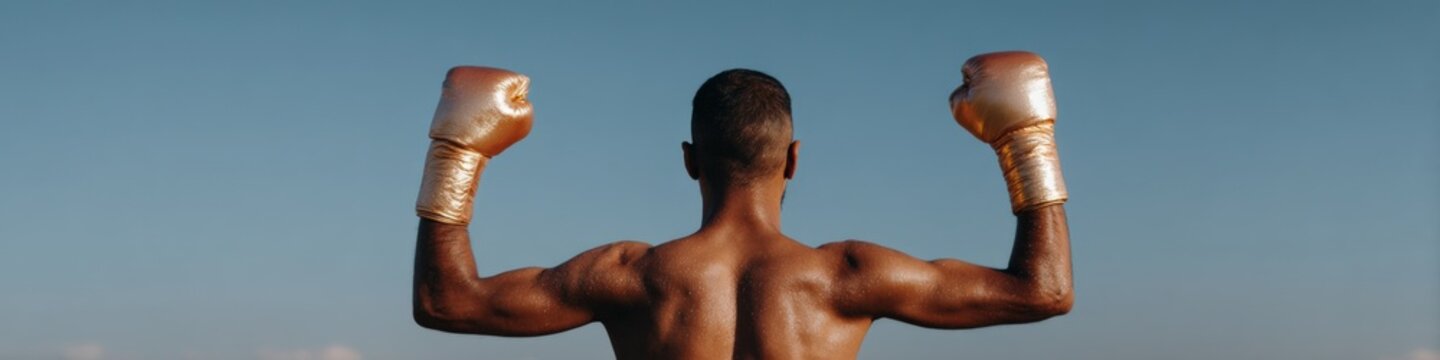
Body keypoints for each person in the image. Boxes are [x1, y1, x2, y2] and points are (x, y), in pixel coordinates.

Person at [411, 51, 1073, 359]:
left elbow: (448, 303)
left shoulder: (630, 277)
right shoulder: (848, 277)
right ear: (792, 160)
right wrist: (1026, 143)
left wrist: (457, 157)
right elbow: (1042, 292)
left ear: (690, 160)